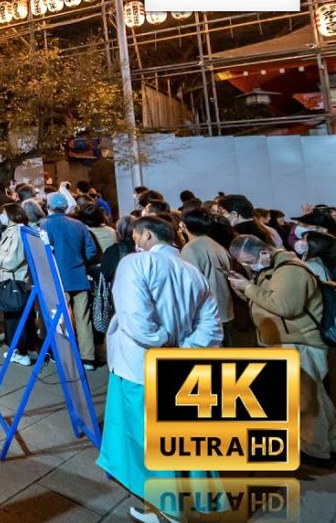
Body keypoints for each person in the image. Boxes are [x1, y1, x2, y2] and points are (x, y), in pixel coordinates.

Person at [97, 216, 222, 523]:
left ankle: (166, 508)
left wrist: (162, 341)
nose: (135, 242)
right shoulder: (192, 272)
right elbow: (211, 325)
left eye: (138, 237)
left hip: (140, 365)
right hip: (182, 364)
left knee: (146, 437)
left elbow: (135, 319)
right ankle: (195, 499)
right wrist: (186, 349)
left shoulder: (134, 266)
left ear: (149, 236)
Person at [228, 235, 336, 465]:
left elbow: (286, 306)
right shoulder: (272, 268)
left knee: (305, 401)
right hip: (287, 340)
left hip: (301, 343)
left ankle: (316, 451)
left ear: (264, 252)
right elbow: (264, 298)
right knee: (315, 397)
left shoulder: (290, 271)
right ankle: (329, 442)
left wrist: (247, 287)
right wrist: (244, 287)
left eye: (249, 261)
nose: (248, 266)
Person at [40, 192, 99, 371]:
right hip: (79, 276)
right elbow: (91, 251)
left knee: (61, 319)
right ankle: (88, 357)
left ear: (49, 207)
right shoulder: (79, 225)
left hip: (58, 277)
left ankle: (66, 354)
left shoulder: (45, 224)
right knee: (83, 318)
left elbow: (43, 252)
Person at [180, 209, 237, 346]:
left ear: (184, 226)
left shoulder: (190, 249)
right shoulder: (218, 246)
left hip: (208, 314)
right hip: (226, 309)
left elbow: (191, 285)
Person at [0, 204, 34, 364]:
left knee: (15, 316)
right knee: (17, 315)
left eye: (3, 213)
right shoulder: (14, 231)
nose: (1, 216)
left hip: (14, 280)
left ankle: (20, 350)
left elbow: (12, 260)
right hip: (13, 279)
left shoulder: (17, 232)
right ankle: (21, 348)